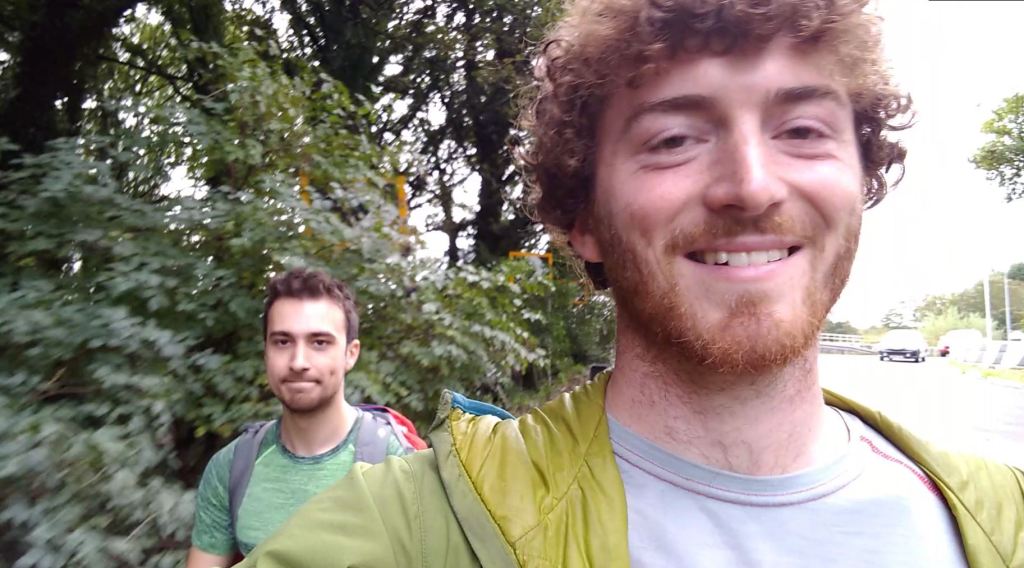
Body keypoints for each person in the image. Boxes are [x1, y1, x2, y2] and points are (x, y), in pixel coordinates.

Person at [237, 1, 1024, 566]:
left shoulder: (1004, 522)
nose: (751, 186)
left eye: (801, 130)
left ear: (860, 174)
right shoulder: (412, 530)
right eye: (674, 138)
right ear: (583, 215)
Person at [186, 268, 417, 567]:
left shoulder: (396, 464)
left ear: (350, 354)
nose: (298, 362)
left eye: (319, 342)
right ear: (266, 352)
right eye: (283, 342)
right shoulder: (231, 469)